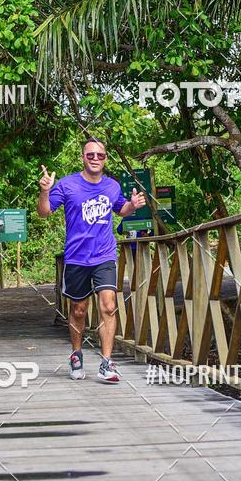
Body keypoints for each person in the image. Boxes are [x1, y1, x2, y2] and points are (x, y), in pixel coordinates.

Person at [38, 138, 146, 382]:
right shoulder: (67, 185)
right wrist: (45, 191)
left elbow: (121, 210)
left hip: (104, 255)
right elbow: (44, 212)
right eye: (90, 155)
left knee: (108, 305)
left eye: (100, 155)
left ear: (105, 158)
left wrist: (133, 205)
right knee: (78, 310)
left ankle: (107, 363)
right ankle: (76, 355)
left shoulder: (112, 186)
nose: (96, 158)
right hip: (76, 257)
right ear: (82, 158)